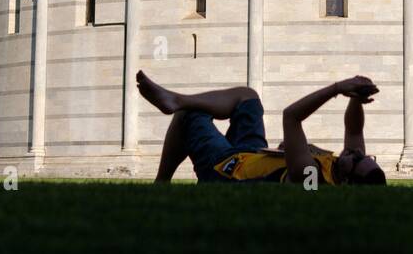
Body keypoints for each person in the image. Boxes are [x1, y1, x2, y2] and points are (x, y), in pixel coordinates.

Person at [137, 70, 385, 186]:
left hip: (229, 170)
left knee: (188, 116)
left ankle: (161, 184)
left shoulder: (311, 176)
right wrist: (356, 98)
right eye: (363, 154)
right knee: (248, 97)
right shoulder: (347, 169)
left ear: (349, 182)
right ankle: (176, 99)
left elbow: (291, 116)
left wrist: (336, 88)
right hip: (254, 152)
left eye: (356, 159)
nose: (354, 152)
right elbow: (354, 131)